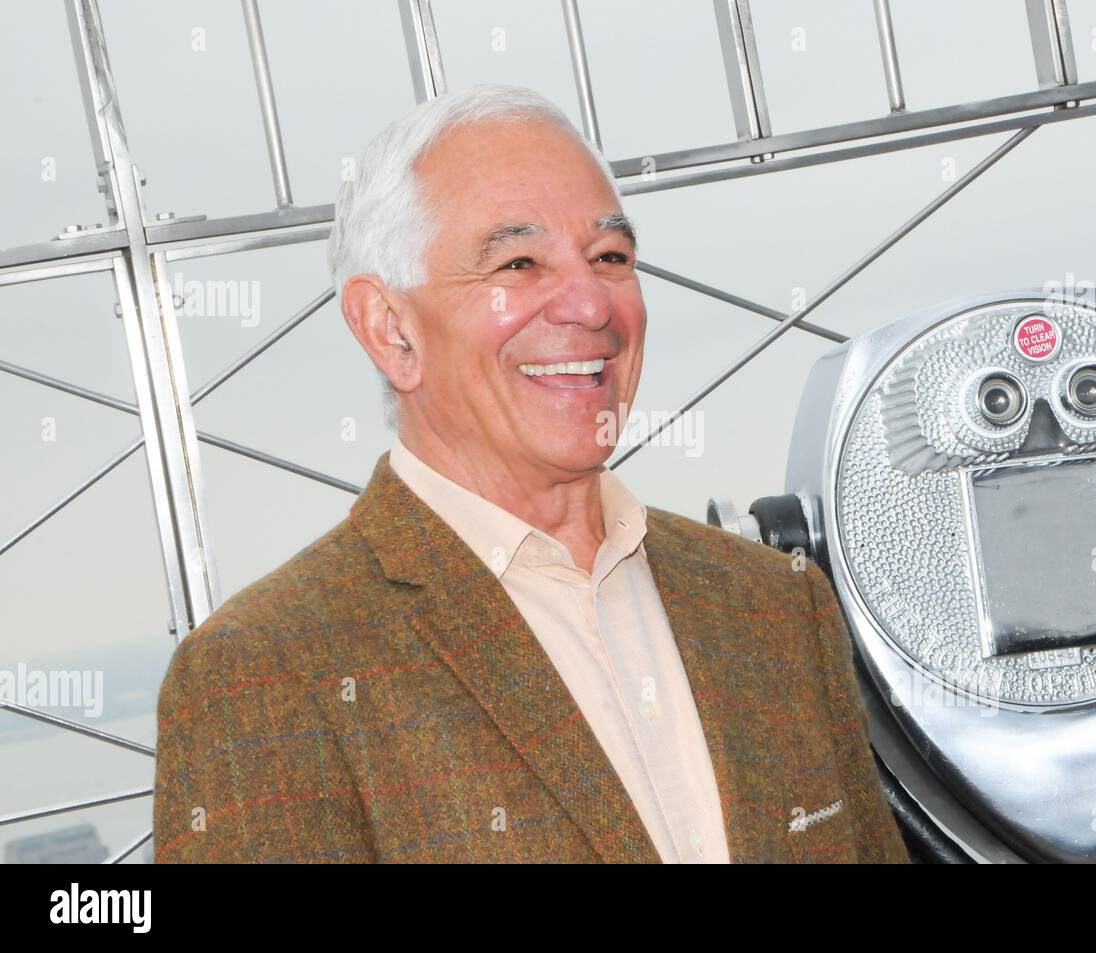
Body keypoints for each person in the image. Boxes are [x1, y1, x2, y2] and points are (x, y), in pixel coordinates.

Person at [152, 84, 908, 864]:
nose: (589, 303)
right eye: (518, 262)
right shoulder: (268, 673)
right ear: (391, 331)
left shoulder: (775, 606)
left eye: (610, 257)